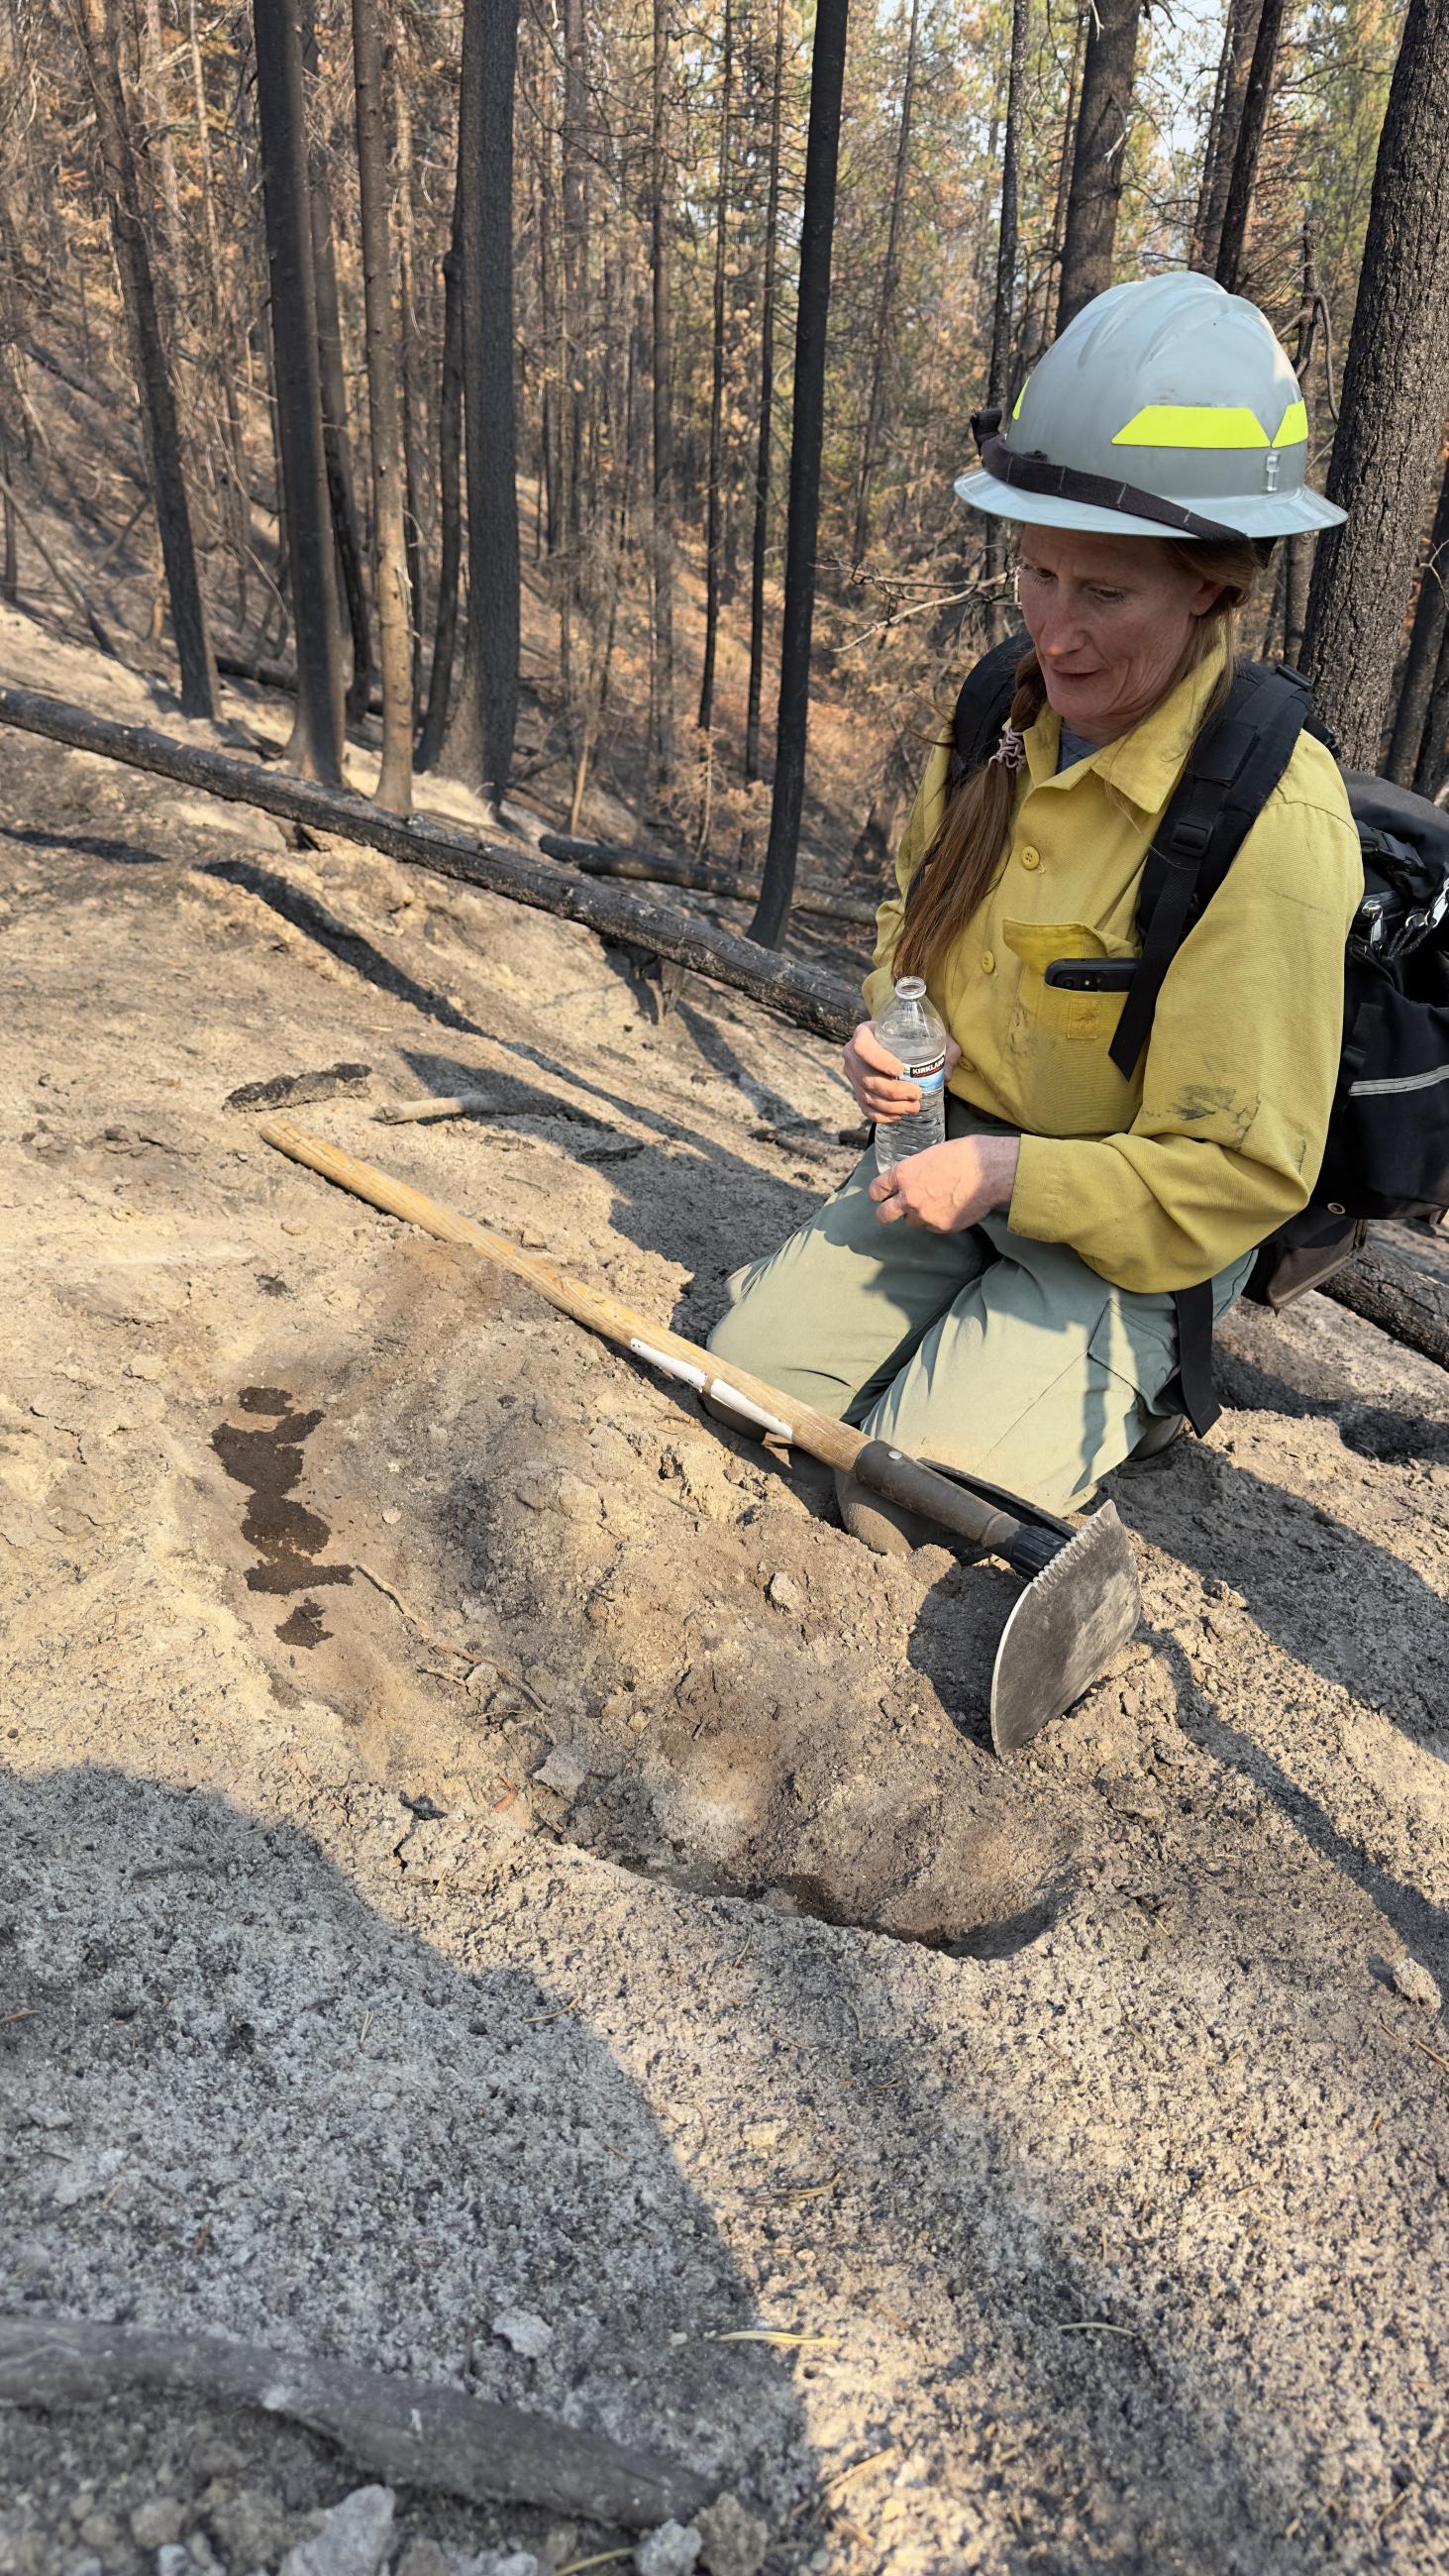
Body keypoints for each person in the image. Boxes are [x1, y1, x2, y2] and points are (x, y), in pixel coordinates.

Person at [707, 271, 1364, 1556]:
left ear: (1212, 587)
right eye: (1034, 572)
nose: (1053, 634)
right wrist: (885, 1040)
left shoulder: (1270, 818)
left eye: (1104, 594)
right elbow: (916, 924)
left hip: (1130, 1236)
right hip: (950, 1160)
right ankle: (965, 1321)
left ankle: (1140, 1384)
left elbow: (1239, 1173)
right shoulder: (995, 717)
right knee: (749, 1383)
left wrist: (1011, 1175)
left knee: (897, 1502)